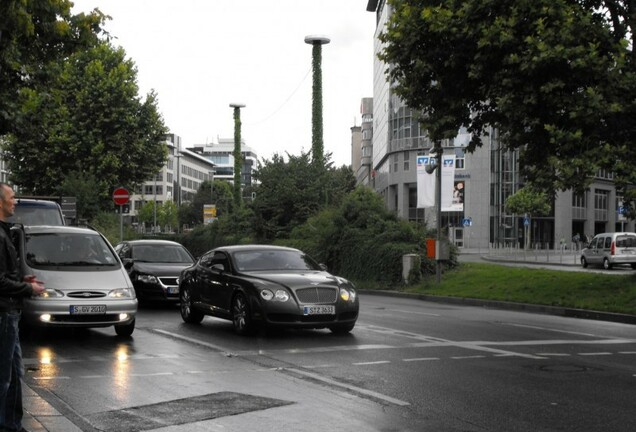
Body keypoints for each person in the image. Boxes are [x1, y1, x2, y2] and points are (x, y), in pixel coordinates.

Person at [0, 183, 45, 432]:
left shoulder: (5, 231)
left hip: (10, 314)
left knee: (15, 376)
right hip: (4, 314)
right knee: (4, 378)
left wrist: (21, 281)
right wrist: (27, 289)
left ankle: (11, 425)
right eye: (12, 197)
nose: (15, 201)